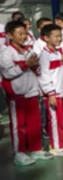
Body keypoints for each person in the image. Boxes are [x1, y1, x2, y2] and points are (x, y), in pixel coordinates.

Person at [0, 21, 50, 165]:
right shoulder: (6, 53)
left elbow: (38, 71)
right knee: (18, 126)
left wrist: (35, 66)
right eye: (20, 34)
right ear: (9, 35)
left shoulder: (28, 51)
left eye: (25, 34)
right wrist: (26, 65)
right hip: (17, 95)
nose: (23, 37)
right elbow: (8, 73)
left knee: (34, 123)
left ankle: (36, 148)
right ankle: (19, 152)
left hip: (32, 92)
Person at [38, 24, 63, 157]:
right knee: (54, 121)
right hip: (54, 94)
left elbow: (58, 73)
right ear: (46, 38)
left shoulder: (57, 53)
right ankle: (55, 147)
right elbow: (44, 76)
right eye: (56, 36)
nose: (59, 39)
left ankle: (62, 142)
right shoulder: (44, 55)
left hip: (61, 91)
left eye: (60, 36)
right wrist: (50, 93)